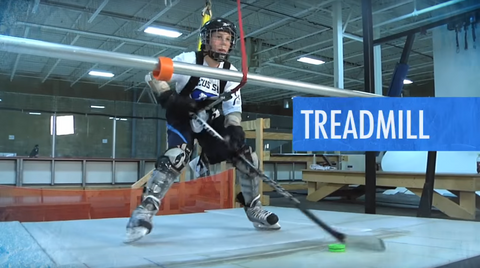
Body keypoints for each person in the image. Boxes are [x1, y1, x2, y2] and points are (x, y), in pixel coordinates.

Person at [125, 17, 281, 243]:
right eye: (219, 37)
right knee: (176, 156)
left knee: (247, 156)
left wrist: (234, 130)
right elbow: (152, 74)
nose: (224, 43)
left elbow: (232, 110)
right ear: (206, 40)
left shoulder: (230, 71)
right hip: (182, 115)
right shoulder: (189, 60)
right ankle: (145, 210)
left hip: (211, 119)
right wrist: (168, 97)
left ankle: (254, 209)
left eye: (228, 39)